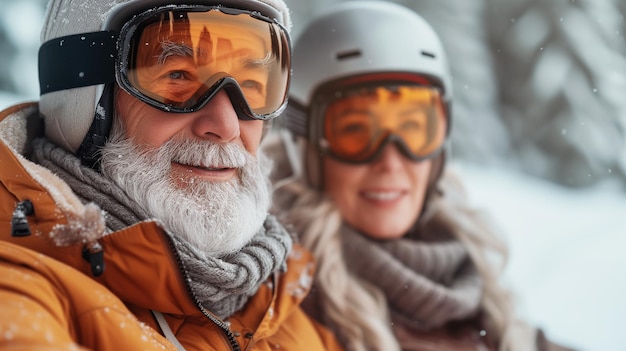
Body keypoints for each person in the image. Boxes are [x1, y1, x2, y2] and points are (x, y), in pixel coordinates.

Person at [0, 0, 344, 350]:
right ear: (80, 101)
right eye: (177, 76)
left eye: (252, 84)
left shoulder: (287, 313)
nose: (226, 126)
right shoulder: (21, 291)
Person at [264, 1, 575, 350]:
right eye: (355, 131)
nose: (391, 161)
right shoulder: (276, 304)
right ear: (302, 142)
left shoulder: (475, 283)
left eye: (414, 129)